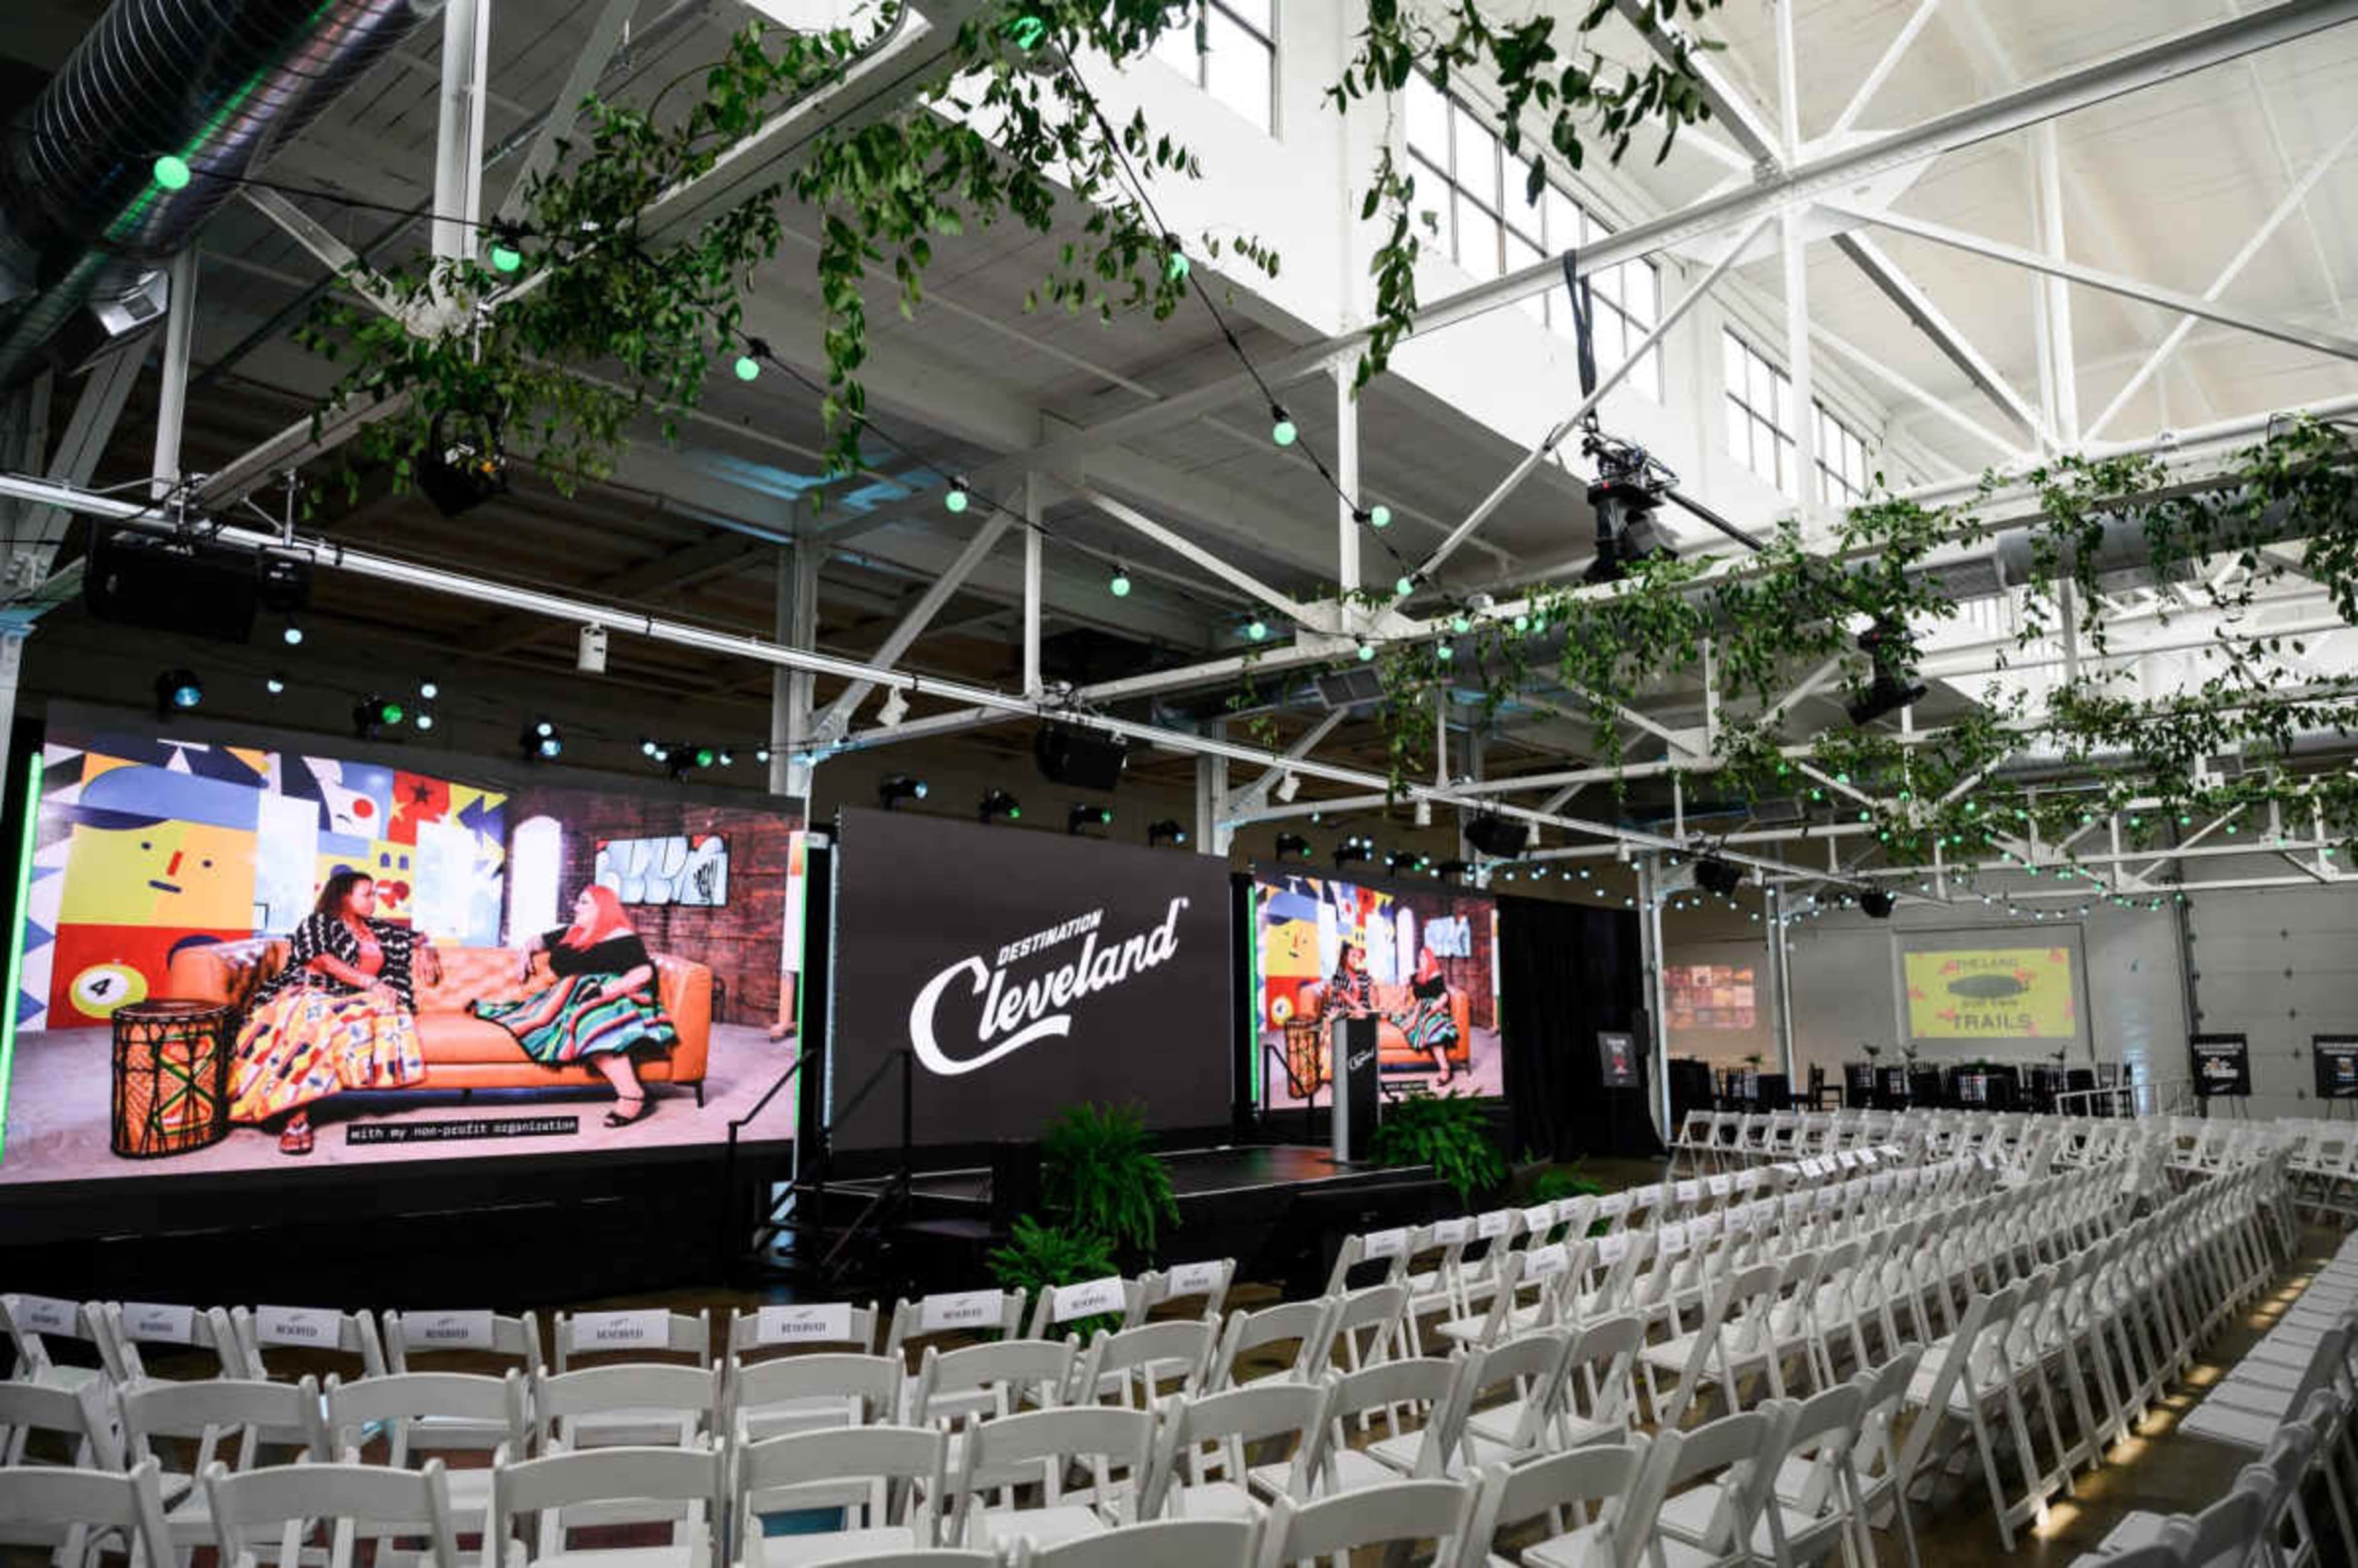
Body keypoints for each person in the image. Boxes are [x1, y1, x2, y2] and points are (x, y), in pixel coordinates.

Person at [227, 870, 443, 1155]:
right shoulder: (318, 923)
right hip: (311, 991)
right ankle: (296, 1117)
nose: (374, 900)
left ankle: (302, 1105)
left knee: (382, 1008)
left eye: (374, 894)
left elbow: (418, 938)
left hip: (351, 999)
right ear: (344, 896)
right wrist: (371, 982)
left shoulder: (377, 930)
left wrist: (426, 948)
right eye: (367, 894)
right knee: (313, 1018)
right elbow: (323, 960)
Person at [472, 885, 677, 1126]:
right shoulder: (571, 932)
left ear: (602, 908)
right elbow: (536, 941)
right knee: (560, 1016)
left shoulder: (622, 937)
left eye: (584, 902)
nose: (576, 907)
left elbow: (643, 972)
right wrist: (524, 953)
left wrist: (606, 990)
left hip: (613, 997)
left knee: (589, 1018)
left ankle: (631, 1094)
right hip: (571, 996)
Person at [1402, 946, 1461, 1085]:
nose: (1421, 959)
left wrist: (1433, 1010)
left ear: (1430, 959)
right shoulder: (1417, 976)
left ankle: (1445, 1069)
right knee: (1409, 1022)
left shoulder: (1436, 975)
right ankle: (1419, 1023)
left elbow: (1444, 996)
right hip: (1420, 1011)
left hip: (1435, 1011)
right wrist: (1404, 992)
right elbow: (1405, 982)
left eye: (1424, 957)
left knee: (1431, 1027)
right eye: (1420, 957)